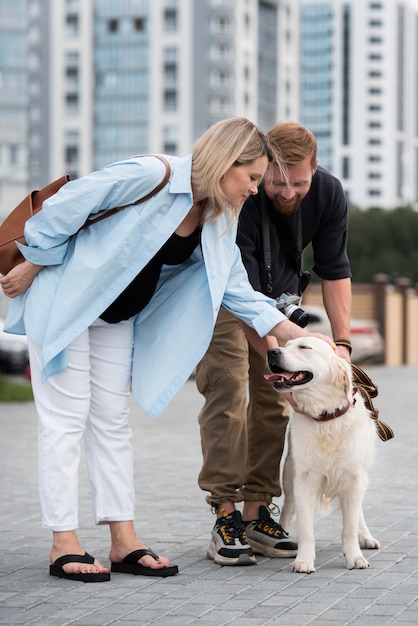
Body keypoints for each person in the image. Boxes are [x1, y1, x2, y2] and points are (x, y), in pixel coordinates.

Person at [0, 117, 332, 583]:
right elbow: (67, 207)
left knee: (112, 421)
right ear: (224, 163)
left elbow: (235, 288)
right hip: (67, 306)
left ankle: (123, 539)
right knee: (66, 420)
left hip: (116, 319)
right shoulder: (151, 175)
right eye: (252, 177)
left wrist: (295, 333)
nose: (256, 190)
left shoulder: (218, 216)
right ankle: (64, 542)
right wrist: (36, 261)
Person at [196, 120, 352, 566]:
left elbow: (335, 270)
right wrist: (277, 347)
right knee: (227, 388)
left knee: (273, 399)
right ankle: (224, 511)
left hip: (282, 303)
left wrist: (340, 345)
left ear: (315, 170)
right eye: (276, 182)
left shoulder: (327, 193)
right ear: (263, 170)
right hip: (225, 295)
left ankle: (256, 510)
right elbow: (239, 289)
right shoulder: (240, 195)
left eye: (298, 182)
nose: (287, 192)